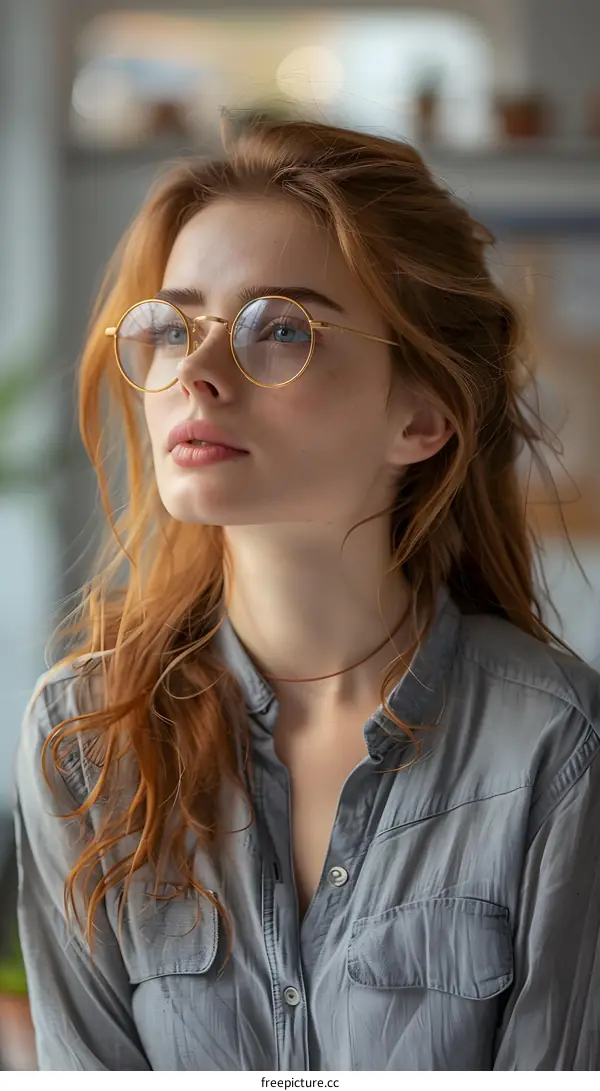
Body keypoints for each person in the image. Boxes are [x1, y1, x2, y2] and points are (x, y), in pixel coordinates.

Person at [14, 115, 600, 1072]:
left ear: (421, 416)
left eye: (279, 328)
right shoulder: (85, 738)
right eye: (174, 327)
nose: (194, 375)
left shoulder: (555, 748)